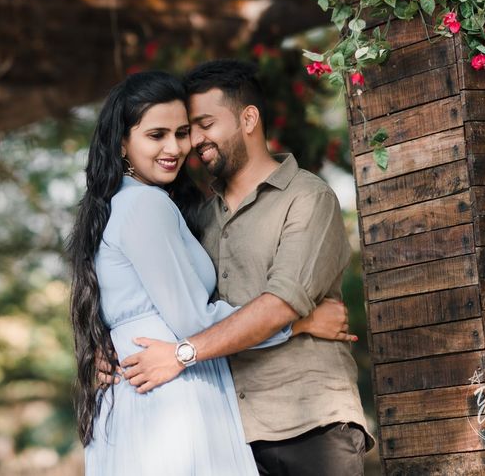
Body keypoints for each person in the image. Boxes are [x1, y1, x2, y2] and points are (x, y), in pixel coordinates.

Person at [69, 70, 354, 475]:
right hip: (172, 395)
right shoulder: (153, 207)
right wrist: (303, 322)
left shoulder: (301, 199)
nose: (180, 146)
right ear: (121, 143)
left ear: (248, 119)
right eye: (157, 135)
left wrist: (108, 343)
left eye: (186, 130)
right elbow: (192, 319)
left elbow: (268, 303)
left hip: (295, 418)